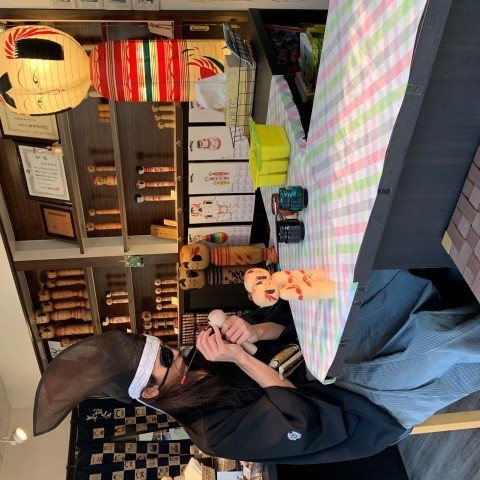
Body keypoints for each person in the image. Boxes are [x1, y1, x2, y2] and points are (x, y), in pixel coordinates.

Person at [33, 269, 480, 464]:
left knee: (377, 280)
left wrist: (254, 331)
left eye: (168, 349)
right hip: (357, 411)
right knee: (435, 344)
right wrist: (241, 359)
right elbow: (302, 420)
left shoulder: (200, 363)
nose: (178, 356)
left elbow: (288, 334)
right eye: (166, 362)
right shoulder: (212, 433)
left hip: (333, 363)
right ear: (151, 393)